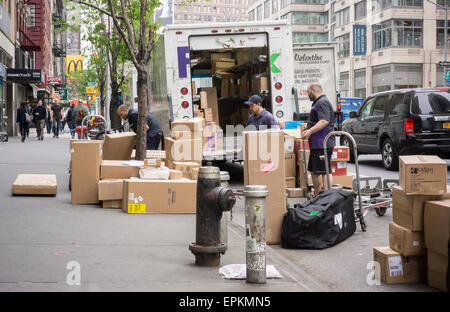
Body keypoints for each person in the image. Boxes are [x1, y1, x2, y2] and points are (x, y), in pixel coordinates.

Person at [301, 84, 335, 196]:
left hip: (322, 143)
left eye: (308, 92)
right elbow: (319, 121)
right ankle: (318, 194)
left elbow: (324, 121)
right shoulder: (318, 102)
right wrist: (308, 126)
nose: (307, 94)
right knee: (315, 170)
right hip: (317, 143)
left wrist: (310, 131)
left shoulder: (322, 102)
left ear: (314, 90)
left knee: (324, 171)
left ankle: (326, 196)